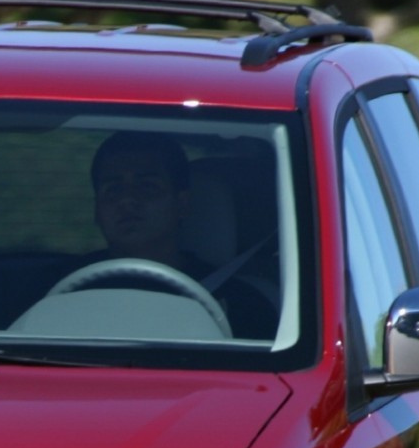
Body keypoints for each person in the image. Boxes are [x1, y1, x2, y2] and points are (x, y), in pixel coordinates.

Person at [64, 131, 278, 339]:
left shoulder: (240, 303)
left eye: (147, 187)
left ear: (182, 204)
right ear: (97, 210)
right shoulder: (57, 288)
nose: (127, 200)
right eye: (113, 189)